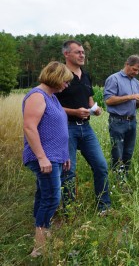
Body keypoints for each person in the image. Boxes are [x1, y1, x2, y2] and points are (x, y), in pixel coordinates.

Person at [22, 61, 73, 257]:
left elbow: (59, 129)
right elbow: (29, 127)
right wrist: (42, 157)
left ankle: (42, 232)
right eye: (65, 81)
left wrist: (65, 154)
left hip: (55, 156)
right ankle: (39, 247)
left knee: (44, 195)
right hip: (44, 157)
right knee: (52, 198)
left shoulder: (52, 97)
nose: (66, 85)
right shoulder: (37, 95)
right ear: (56, 78)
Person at [55, 40, 111, 213]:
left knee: (101, 166)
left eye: (83, 52)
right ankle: (69, 211)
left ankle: (104, 208)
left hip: (86, 129)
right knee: (68, 172)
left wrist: (95, 109)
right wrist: (74, 112)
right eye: (78, 52)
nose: (82, 55)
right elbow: (51, 106)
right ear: (66, 54)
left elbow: (89, 101)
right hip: (66, 128)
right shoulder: (59, 75)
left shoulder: (85, 76)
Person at [103, 55, 139, 183]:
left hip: (132, 121)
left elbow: (135, 105)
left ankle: (125, 178)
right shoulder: (114, 79)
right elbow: (108, 100)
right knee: (117, 153)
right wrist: (130, 96)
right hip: (117, 121)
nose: (136, 73)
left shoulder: (136, 82)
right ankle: (118, 181)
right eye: (134, 69)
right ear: (127, 64)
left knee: (128, 152)